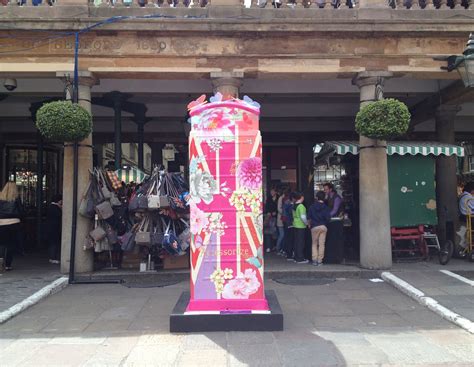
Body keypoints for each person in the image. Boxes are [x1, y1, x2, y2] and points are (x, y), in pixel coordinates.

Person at [0, 182, 23, 271]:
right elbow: (21, 211)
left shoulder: (0, 198)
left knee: (1, 243)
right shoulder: (16, 199)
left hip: (1, 223)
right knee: (11, 244)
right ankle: (8, 265)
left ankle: (0, 262)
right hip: (14, 223)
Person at [308, 191, 331, 266]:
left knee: (314, 244)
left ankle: (314, 260)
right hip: (323, 227)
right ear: (324, 198)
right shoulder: (326, 207)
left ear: (317, 198)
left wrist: (309, 225)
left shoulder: (312, 207)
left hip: (314, 227)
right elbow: (328, 218)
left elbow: (309, 218)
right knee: (322, 244)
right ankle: (320, 261)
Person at [292, 192, 309, 264]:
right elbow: (303, 217)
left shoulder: (294, 205)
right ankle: (300, 258)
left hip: (295, 224)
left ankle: (296, 257)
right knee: (301, 242)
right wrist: (307, 223)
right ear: (301, 197)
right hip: (301, 226)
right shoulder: (301, 206)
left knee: (296, 242)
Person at [45, 194, 62, 264]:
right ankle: (53, 257)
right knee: (54, 243)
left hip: (50, 227)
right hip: (54, 228)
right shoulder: (55, 207)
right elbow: (59, 215)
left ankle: (52, 257)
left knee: (52, 243)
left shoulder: (50, 207)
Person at [264, 187, 278, 253]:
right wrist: (268, 212)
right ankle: (268, 247)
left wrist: (276, 212)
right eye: (271, 192)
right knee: (267, 232)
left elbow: (280, 207)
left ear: (275, 192)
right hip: (269, 217)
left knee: (275, 232)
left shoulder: (278, 198)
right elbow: (266, 207)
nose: (272, 193)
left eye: (273, 191)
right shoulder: (268, 199)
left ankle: (275, 246)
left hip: (276, 217)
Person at [276, 187, 286, 256]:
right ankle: (278, 248)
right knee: (282, 235)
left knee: (283, 235)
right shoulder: (280, 198)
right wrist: (285, 213)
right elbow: (279, 208)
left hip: (283, 219)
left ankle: (282, 248)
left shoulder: (282, 198)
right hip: (280, 219)